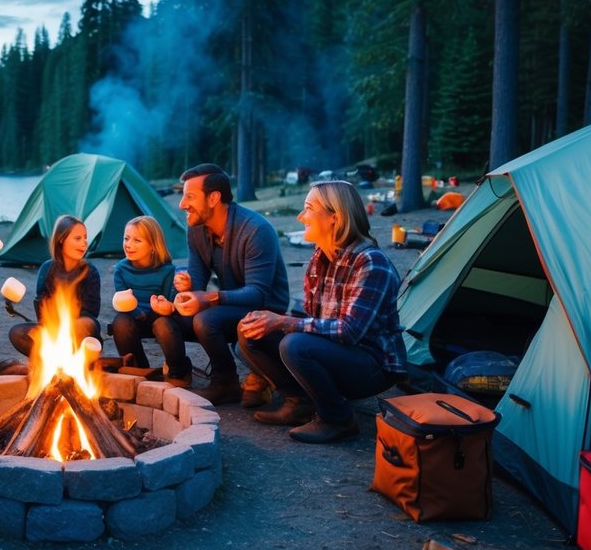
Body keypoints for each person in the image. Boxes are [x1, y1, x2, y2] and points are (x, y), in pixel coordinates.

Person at [237, 180, 407, 444]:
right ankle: (300, 403)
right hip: (337, 351)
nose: (300, 216)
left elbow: (349, 331)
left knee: (296, 344)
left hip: (372, 365)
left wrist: (285, 322)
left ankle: (337, 419)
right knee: (250, 336)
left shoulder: (371, 263)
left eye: (308, 208)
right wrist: (269, 321)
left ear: (334, 218)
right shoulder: (321, 257)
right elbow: (314, 318)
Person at [169, 163, 290, 404]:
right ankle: (177, 372)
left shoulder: (255, 230)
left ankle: (226, 381)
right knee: (171, 316)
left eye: (190, 197)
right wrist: (186, 285)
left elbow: (258, 294)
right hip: (232, 302)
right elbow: (198, 277)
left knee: (206, 320)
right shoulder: (196, 228)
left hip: (266, 307)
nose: (182, 204)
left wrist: (211, 298)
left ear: (213, 198)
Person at [9, 215, 101, 357]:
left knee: (82, 325)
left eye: (85, 237)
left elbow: (91, 312)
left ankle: (61, 360)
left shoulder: (90, 271)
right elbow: (41, 307)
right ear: (61, 239)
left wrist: (66, 322)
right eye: (78, 238)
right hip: (53, 328)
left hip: (79, 331)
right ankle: (57, 363)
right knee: (17, 333)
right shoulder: (47, 269)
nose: (84, 243)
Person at [109, 215, 181, 373]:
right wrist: (138, 313)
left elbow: (168, 301)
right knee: (120, 323)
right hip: (132, 315)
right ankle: (138, 368)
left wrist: (163, 307)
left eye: (137, 240)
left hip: (158, 315)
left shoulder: (167, 270)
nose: (128, 245)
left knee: (164, 325)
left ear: (153, 245)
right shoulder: (121, 269)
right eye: (126, 238)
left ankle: (178, 369)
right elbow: (122, 300)